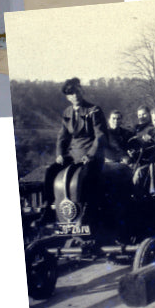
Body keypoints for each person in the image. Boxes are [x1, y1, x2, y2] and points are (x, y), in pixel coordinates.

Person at [42, 77, 107, 223]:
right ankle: (49, 208)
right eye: (71, 94)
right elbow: (62, 136)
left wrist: (91, 154)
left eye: (77, 92)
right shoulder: (67, 112)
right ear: (67, 97)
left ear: (82, 91)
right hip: (73, 154)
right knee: (51, 171)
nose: (75, 96)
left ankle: (87, 211)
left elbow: (100, 136)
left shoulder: (94, 110)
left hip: (92, 154)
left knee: (86, 175)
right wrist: (59, 154)